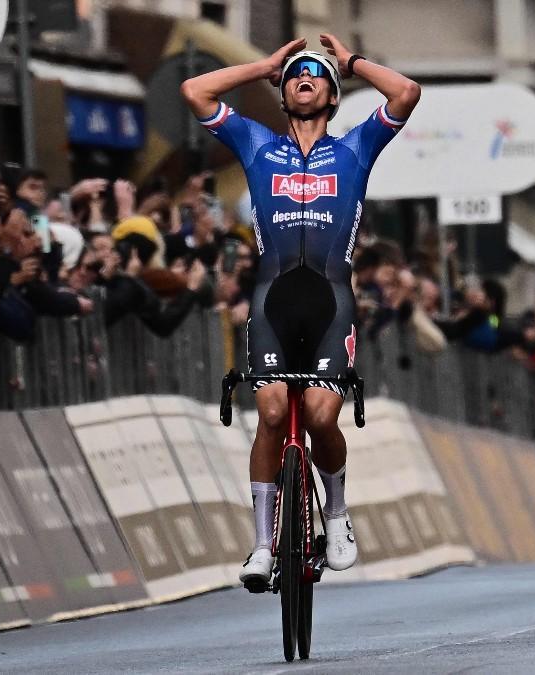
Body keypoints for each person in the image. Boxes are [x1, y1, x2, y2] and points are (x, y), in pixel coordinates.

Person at [181, 33, 420, 587]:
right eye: (293, 75)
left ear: (333, 97)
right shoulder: (257, 144)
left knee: (319, 416)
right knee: (270, 414)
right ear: (282, 93)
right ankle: (262, 546)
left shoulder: (355, 148)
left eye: (316, 75)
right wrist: (262, 65)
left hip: (331, 301)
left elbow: (406, 93)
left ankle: (335, 513)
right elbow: (194, 91)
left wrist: (352, 61)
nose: (303, 78)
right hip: (273, 300)